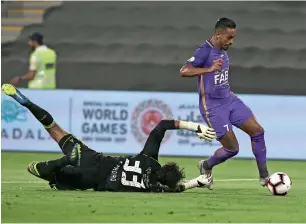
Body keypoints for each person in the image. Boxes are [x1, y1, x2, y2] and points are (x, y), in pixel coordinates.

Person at [2, 84, 215, 192]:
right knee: (47, 175)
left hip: (95, 159)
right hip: (91, 180)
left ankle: (28, 103)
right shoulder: (153, 188)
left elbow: (162, 126)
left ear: (165, 166)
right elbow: (174, 190)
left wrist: (195, 126)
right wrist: (195, 183)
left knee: (54, 129)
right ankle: (59, 168)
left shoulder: (149, 158)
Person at [180, 17, 270, 189]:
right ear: (218, 34)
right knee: (232, 149)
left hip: (229, 99)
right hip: (213, 107)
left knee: (258, 132)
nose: (232, 41)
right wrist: (208, 70)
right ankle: (206, 165)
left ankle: (265, 177)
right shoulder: (204, 51)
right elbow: (184, 71)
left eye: (233, 37)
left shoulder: (222, 49)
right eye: (229, 37)